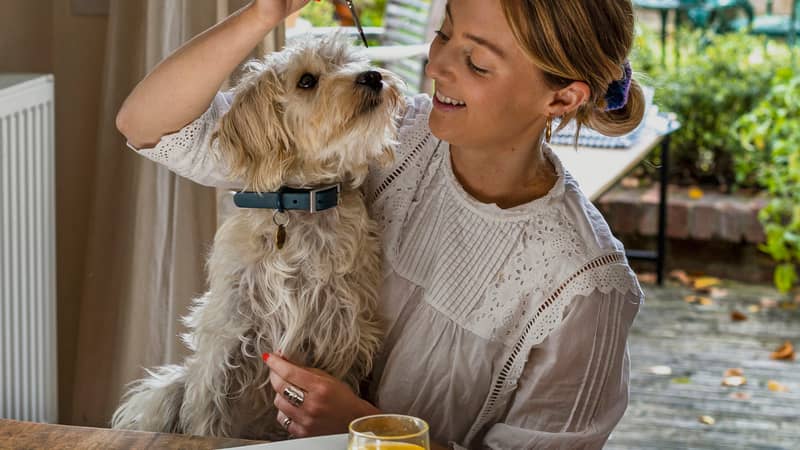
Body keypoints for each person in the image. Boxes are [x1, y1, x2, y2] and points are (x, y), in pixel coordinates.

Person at [116, 0, 646, 448]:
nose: (437, 67)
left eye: (478, 62)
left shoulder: (586, 290)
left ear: (562, 97)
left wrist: (367, 431)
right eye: (443, 35)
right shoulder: (391, 134)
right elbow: (148, 126)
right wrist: (265, 12)